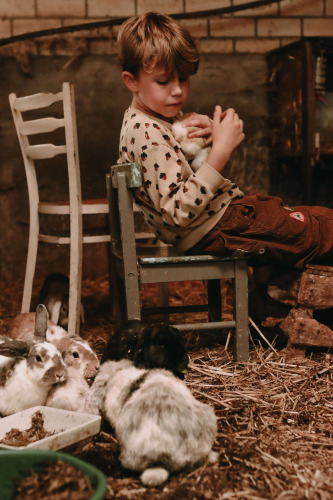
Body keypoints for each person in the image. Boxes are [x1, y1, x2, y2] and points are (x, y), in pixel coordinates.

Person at [117, 11, 333, 271]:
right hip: (217, 227)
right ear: (131, 81)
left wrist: (207, 140)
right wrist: (220, 152)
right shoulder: (145, 133)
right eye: (163, 81)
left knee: (318, 217)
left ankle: (265, 292)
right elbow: (177, 213)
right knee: (321, 232)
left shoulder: (153, 120)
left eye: (183, 79)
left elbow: (181, 178)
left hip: (224, 218)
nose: (177, 90)